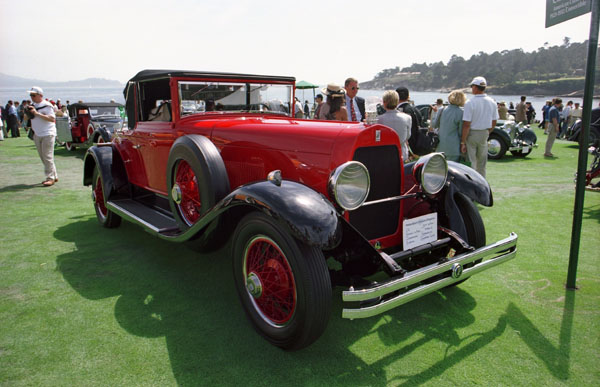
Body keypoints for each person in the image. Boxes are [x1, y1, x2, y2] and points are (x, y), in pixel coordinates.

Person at [460, 76, 498, 178]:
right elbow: (494, 121)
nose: (472, 88)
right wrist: (488, 131)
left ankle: (472, 184)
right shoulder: (492, 102)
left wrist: (463, 142)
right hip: (485, 133)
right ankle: (482, 184)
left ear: (475, 87)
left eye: (472, 86)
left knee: (471, 162)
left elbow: (466, 124)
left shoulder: (470, 102)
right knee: (482, 163)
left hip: (472, 133)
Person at [27, 86, 58, 186]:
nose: (32, 97)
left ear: (40, 95)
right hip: (37, 133)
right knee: (43, 157)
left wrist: (37, 113)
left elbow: (52, 118)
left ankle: (50, 178)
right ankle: (54, 175)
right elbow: (27, 118)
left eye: (33, 95)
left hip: (48, 133)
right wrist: (27, 113)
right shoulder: (33, 105)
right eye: (31, 95)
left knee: (47, 156)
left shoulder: (46, 105)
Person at [431, 90, 466, 162]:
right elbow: (460, 132)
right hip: (454, 146)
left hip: (440, 144)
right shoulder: (461, 112)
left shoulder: (442, 109)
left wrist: (434, 114)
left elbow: (434, 124)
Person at [377, 90, 412, 160]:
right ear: (397, 101)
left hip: (384, 154)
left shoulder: (378, 119)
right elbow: (408, 136)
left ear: (384, 102)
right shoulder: (407, 118)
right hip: (402, 154)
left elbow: (377, 138)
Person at [396, 86, 423, 155]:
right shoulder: (415, 109)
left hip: (407, 146)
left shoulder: (399, 111)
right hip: (417, 142)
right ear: (408, 96)